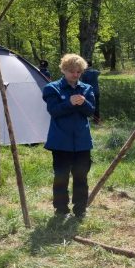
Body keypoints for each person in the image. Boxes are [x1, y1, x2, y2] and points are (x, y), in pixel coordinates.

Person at [43, 54, 96, 219]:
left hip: (82, 142)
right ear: (64, 70)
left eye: (79, 72)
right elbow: (54, 111)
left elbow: (91, 111)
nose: (75, 75)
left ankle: (80, 209)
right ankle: (61, 210)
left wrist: (83, 103)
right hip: (60, 142)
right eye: (72, 71)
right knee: (61, 177)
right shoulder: (52, 88)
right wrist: (69, 103)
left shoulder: (87, 89)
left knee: (81, 177)